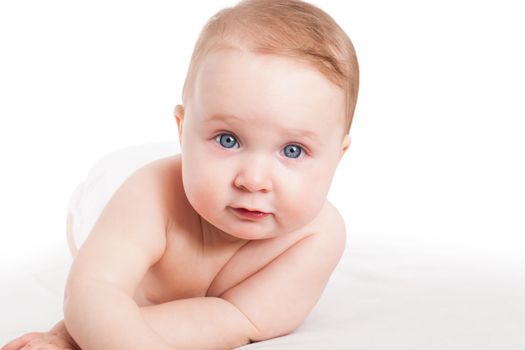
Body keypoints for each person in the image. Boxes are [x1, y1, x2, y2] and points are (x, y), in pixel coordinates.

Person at [2, 0, 359, 349]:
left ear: (337, 156)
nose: (253, 180)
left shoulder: (315, 238)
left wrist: (74, 339)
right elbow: (93, 289)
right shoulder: (149, 195)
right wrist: (75, 330)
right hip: (103, 201)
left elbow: (234, 318)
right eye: (228, 139)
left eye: (292, 150)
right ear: (182, 127)